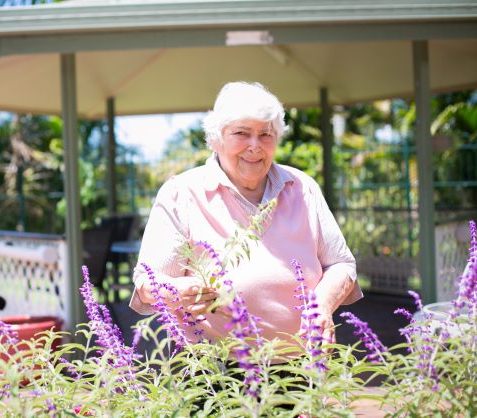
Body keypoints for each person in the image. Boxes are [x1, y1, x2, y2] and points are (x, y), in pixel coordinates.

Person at [129, 81, 362, 348]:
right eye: (242, 133)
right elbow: (146, 282)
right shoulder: (180, 194)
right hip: (213, 373)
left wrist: (322, 305)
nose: (255, 145)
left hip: (301, 369)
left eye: (266, 134)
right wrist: (179, 291)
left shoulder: (302, 188)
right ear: (217, 138)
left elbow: (342, 265)